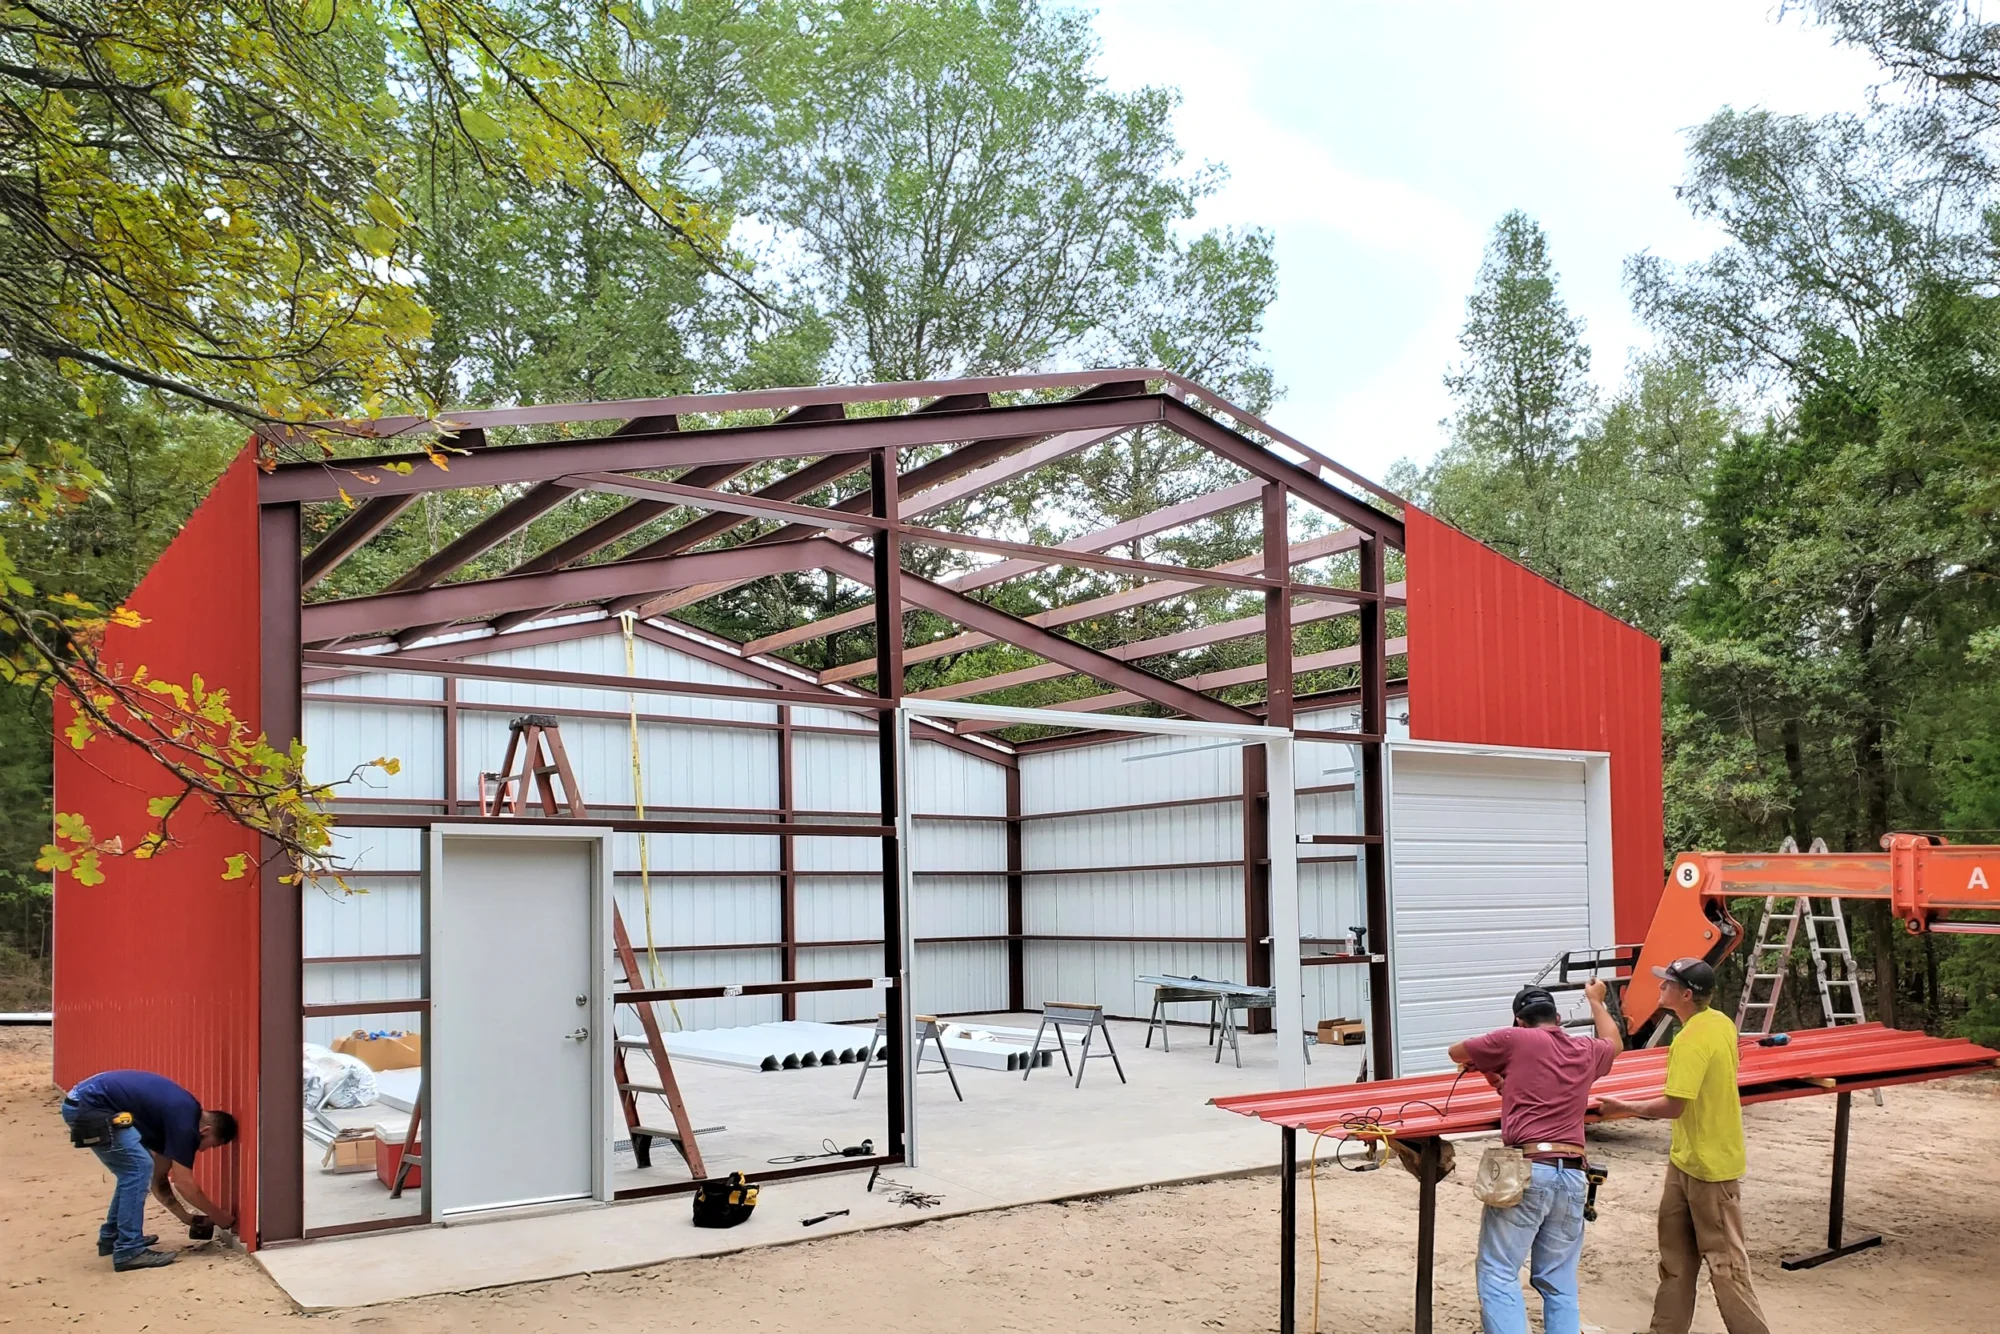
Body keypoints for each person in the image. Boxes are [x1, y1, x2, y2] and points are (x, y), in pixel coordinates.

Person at [1599, 957, 1769, 1334]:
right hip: (1685, 1161)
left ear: (1686, 994)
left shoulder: (1691, 1039)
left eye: (1667, 983)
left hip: (1712, 1167)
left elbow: (1674, 1104)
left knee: (1726, 1266)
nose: (1660, 987)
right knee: (1675, 1259)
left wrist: (1625, 1107)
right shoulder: (1720, 1022)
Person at [1446, 976, 1621, 1334]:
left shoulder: (1513, 1039)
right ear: (1557, 1020)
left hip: (1527, 1171)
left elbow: (1457, 1053)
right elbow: (1614, 1043)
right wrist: (1596, 1001)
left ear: (1519, 1021)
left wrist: (1491, 1064)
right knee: (1558, 1281)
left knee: (1498, 1271)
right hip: (1573, 1174)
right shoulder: (1585, 1050)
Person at [60, 1069, 237, 1270]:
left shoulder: (176, 1119)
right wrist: (219, 1216)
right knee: (136, 1170)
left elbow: (157, 1178)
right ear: (206, 1131)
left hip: (85, 1103)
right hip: (90, 1106)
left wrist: (187, 1218)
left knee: (135, 1171)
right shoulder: (185, 1125)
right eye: (211, 1145)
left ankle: (113, 1237)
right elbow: (184, 1183)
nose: (204, 1150)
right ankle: (129, 1250)